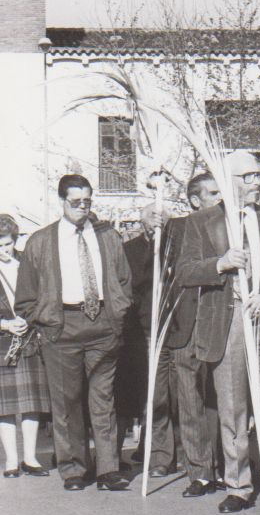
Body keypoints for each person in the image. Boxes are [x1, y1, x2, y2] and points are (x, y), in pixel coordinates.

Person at [176, 151, 260, 514]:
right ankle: (238, 485)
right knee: (232, 409)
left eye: (258, 175)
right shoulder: (202, 222)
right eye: (247, 176)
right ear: (227, 181)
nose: (256, 182)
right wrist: (220, 264)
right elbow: (184, 272)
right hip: (227, 322)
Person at [15, 174, 133, 491]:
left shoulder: (108, 237)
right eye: (76, 202)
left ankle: (108, 469)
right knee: (67, 403)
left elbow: (123, 281)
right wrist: (48, 323)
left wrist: (116, 317)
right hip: (62, 327)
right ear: (62, 201)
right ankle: (74, 469)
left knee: (103, 400)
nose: (83, 207)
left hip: (103, 327)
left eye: (87, 201)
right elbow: (25, 298)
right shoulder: (40, 242)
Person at [167, 173, 225, 498]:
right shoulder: (176, 228)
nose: (220, 198)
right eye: (213, 193)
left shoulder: (232, 224)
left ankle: (225, 466)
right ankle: (200, 472)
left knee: (221, 397)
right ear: (194, 199)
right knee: (190, 398)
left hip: (219, 320)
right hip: (186, 321)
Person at [120, 203, 175, 476]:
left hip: (171, 326)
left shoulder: (174, 248)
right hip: (141, 329)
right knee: (149, 393)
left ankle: (162, 455)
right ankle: (150, 449)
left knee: (164, 393)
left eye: (163, 218)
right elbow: (132, 286)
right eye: (153, 217)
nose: (158, 222)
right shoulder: (129, 250)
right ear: (142, 222)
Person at [0, 214, 50, 478]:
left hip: (29, 338)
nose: (4, 250)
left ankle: (30, 458)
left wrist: (27, 319)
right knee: (4, 407)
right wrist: (5, 325)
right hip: (3, 341)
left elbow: (42, 295)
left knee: (32, 402)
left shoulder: (26, 263)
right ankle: (11, 460)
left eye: (7, 244)